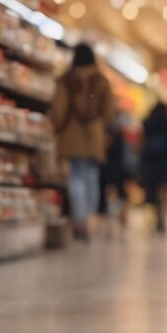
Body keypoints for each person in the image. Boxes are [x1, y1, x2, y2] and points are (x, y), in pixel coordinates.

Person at [50, 43, 116, 241]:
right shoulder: (102, 80)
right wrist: (101, 124)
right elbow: (110, 111)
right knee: (92, 178)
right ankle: (89, 220)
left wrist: (58, 127)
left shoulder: (67, 79)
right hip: (94, 135)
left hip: (72, 134)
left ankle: (79, 220)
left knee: (75, 178)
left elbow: (59, 107)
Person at [141, 101, 167, 233]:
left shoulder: (146, 123)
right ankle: (162, 219)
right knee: (165, 191)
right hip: (165, 162)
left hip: (150, 162)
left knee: (153, 191)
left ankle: (157, 217)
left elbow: (142, 143)